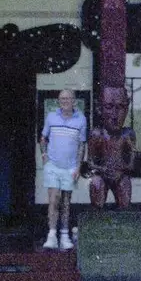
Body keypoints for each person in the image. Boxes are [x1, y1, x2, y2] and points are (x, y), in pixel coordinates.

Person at [38, 89, 87, 250]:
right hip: (53, 165)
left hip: (71, 167)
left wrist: (79, 167)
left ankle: (64, 236)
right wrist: (44, 154)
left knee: (66, 201)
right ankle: (51, 235)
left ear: (74, 101)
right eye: (61, 99)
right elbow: (43, 137)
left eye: (67, 98)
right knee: (54, 199)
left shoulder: (81, 120)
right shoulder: (51, 117)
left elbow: (81, 145)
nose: (64, 101)